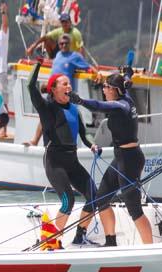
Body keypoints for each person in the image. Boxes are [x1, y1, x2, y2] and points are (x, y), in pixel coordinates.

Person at [68, 70, 154, 246]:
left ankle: (149, 247)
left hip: (130, 160)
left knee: (134, 208)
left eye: (106, 86)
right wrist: (128, 73)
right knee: (101, 198)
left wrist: (81, 101)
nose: (103, 89)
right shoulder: (125, 93)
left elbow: (99, 105)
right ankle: (109, 240)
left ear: (115, 90)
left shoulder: (121, 105)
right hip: (121, 157)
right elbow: (127, 82)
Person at [27, 61, 98, 245]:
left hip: (72, 160)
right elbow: (30, 86)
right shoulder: (47, 108)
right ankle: (52, 241)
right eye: (64, 84)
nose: (69, 87)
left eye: (69, 84)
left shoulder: (75, 109)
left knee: (94, 196)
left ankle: (80, 235)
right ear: (54, 89)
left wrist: (92, 144)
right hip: (54, 161)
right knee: (68, 201)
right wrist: (38, 63)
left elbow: (84, 134)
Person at [25, 34, 95, 146]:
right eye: (61, 43)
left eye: (66, 43)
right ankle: (35, 141)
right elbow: (31, 85)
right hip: (53, 91)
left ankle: (70, 145)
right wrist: (39, 60)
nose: (63, 45)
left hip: (64, 94)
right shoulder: (57, 55)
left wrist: (96, 72)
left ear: (70, 44)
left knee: (67, 119)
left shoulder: (74, 56)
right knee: (45, 116)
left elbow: (87, 66)